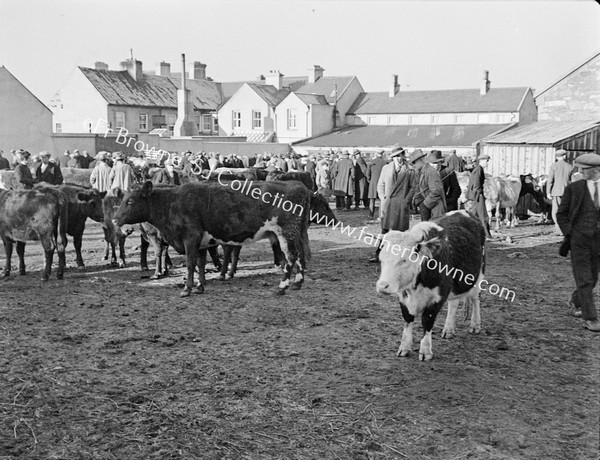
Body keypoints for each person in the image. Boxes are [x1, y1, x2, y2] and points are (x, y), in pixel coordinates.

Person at [556, 153, 600, 332]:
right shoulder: (574, 189)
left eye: (584, 170)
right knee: (585, 279)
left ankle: (576, 300)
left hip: (598, 241)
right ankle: (591, 318)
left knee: (593, 277)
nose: (580, 172)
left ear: (596, 170)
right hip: (579, 240)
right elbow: (561, 214)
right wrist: (570, 234)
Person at [370, 149, 418, 263]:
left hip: (401, 203)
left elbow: (413, 187)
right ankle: (379, 254)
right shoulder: (386, 168)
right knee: (385, 230)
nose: (397, 158)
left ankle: (399, 256)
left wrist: (407, 200)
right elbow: (380, 184)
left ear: (403, 156)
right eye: (395, 156)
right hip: (388, 203)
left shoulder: (409, 170)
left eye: (399, 156)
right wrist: (383, 198)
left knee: (400, 231)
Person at [411, 149, 446, 221]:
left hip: (435, 210)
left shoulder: (430, 172)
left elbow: (436, 191)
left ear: (421, 160)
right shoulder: (425, 171)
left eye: (414, 162)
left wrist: (425, 204)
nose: (413, 165)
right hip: (431, 208)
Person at [547, 149, 573, 235]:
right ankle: (565, 229)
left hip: (556, 192)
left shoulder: (554, 166)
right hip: (567, 192)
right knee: (565, 211)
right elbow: (572, 181)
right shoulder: (570, 166)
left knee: (555, 211)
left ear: (557, 157)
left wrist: (548, 192)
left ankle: (558, 229)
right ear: (564, 156)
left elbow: (550, 180)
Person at [466, 154, 492, 238]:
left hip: (475, 195)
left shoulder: (478, 169)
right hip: (477, 195)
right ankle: (486, 234)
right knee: (483, 215)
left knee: (474, 214)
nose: (487, 164)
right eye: (486, 161)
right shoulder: (478, 169)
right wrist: (479, 194)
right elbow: (476, 184)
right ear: (483, 161)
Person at [367, 150, 388, 219]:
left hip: (373, 182)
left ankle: (370, 215)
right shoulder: (385, 162)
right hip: (383, 183)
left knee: (372, 200)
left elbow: (368, 173)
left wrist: (370, 180)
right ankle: (381, 215)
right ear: (382, 154)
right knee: (382, 200)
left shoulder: (371, 162)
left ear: (376, 154)